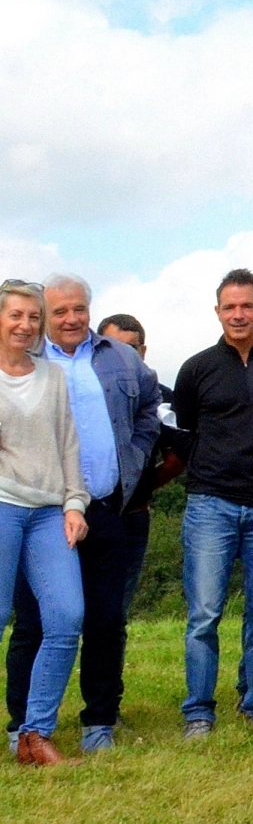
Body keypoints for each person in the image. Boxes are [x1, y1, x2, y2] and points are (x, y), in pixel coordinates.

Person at [3, 275, 160, 757]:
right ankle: (19, 725)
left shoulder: (117, 358)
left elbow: (148, 409)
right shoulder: (35, 360)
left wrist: (129, 460)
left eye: (78, 309)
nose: (68, 319)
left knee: (95, 618)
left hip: (96, 506)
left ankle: (80, 724)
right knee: (25, 621)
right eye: (56, 312)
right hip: (22, 508)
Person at [172, 268, 253, 738]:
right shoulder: (197, 367)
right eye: (229, 307)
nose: (239, 314)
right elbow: (184, 431)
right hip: (211, 504)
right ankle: (198, 712)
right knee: (204, 615)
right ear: (217, 311)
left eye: (247, 305)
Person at [0, 280, 90, 766]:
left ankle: (35, 736)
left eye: (33, 317)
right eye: (15, 315)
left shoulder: (53, 375)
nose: (25, 325)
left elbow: (68, 443)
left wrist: (74, 503)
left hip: (50, 512)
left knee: (66, 616)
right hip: (2, 506)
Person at [95, 313, 189, 620]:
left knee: (114, 613)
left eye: (132, 348)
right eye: (113, 347)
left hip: (130, 518)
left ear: (143, 351)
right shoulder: (82, 390)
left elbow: (180, 454)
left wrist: (142, 485)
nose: (123, 355)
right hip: (77, 514)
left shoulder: (159, 397)